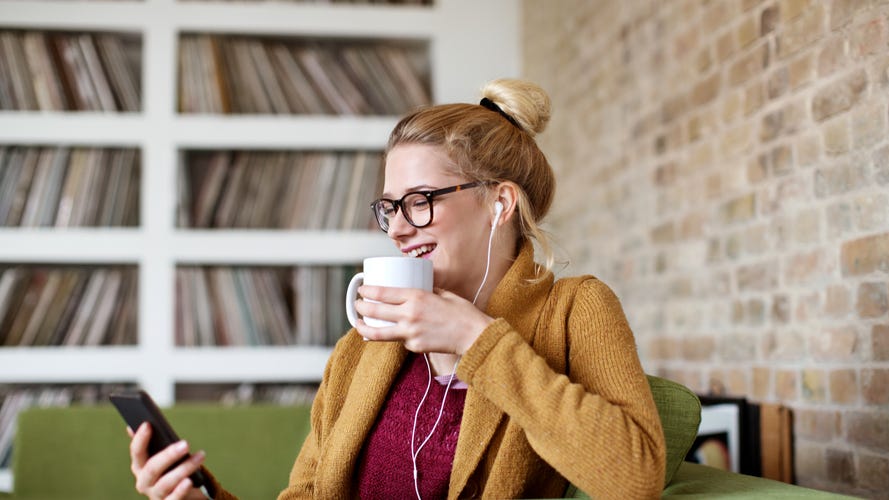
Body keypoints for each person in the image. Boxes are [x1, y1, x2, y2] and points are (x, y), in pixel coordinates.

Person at [127, 78, 666, 499]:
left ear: (499, 204)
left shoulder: (577, 310)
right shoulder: (363, 348)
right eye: (390, 207)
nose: (400, 228)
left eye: (420, 200)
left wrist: (477, 340)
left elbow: (636, 477)